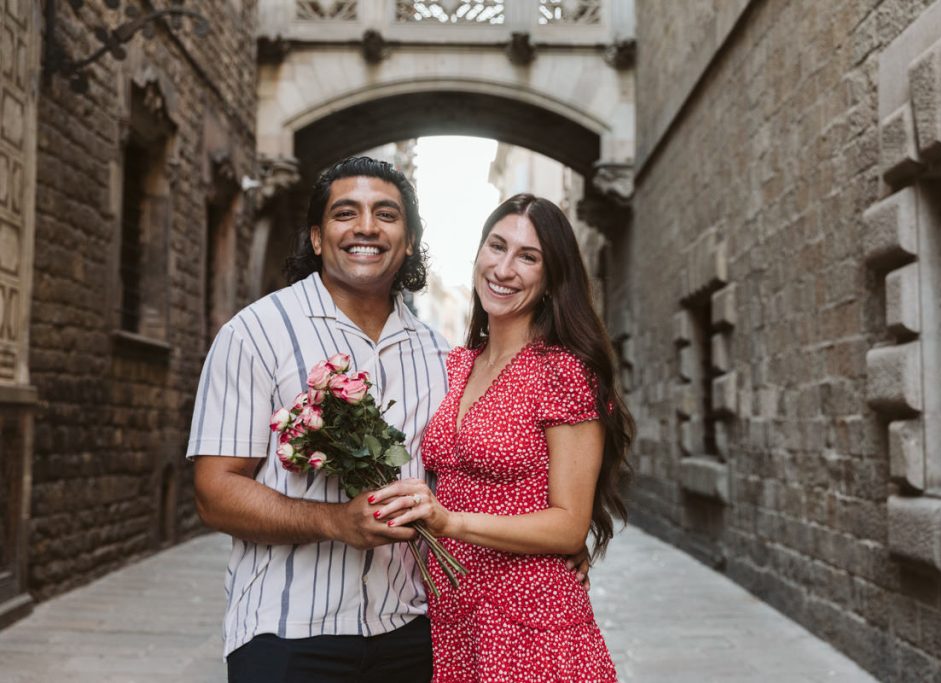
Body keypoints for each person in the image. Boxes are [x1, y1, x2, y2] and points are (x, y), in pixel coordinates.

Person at [186, 157, 445, 682]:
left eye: (387, 214)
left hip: (412, 632)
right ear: (318, 238)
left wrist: (557, 546)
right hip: (287, 634)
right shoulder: (256, 333)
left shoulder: (440, 357)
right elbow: (214, 492)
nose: (366, 227)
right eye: (345, 213)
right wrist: (334, 522)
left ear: (411, 239)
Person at [372, 193, 634, 682]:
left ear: (552, 280)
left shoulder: (563, 373)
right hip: (453, 622)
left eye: (528, 257)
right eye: (497, 246)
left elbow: (568, 526)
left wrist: (449, 521)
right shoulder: (456, 365)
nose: (504, 268)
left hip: (532, 626)